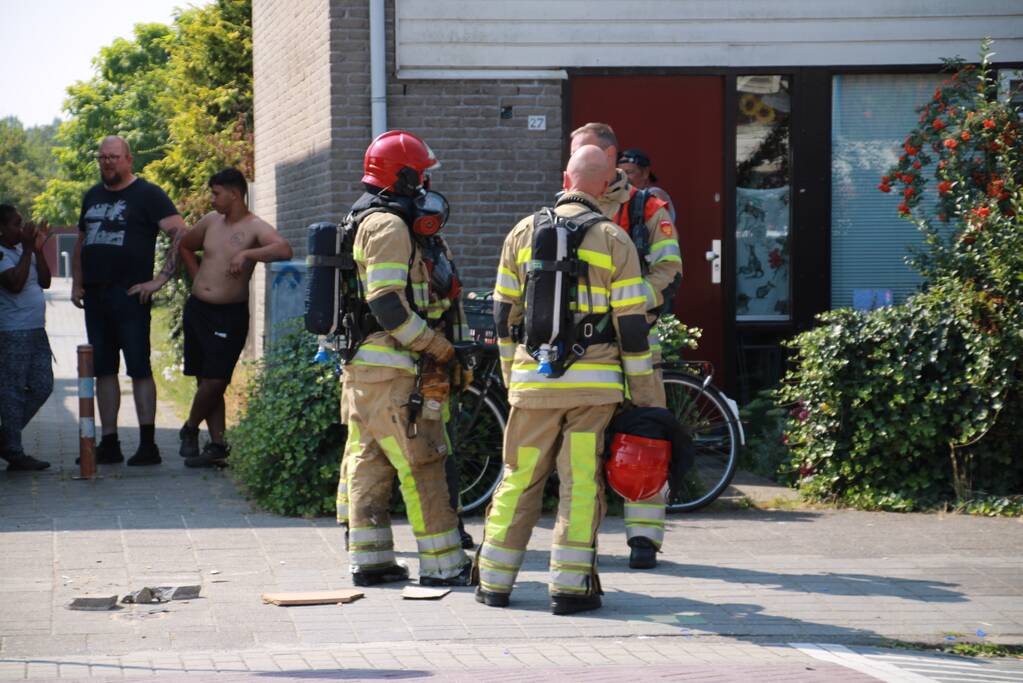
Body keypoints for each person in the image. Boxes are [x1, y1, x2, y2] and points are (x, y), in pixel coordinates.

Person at [475, 145, 660, 615]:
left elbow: (502, 315)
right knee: (580, 483)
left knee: (519, 477)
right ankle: (570, 588)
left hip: (532, 386)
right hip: (592, 390)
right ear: (604, 186)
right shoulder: (616, 239)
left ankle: (494, 583)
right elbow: (632, 328)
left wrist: (512, 375)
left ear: (566, 177)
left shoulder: (520, 232)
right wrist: (644, 398)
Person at [338, 130, 472, 587]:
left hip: (371, 371)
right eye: (424, 174)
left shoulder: (377, 219)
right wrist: (436, 347)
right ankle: (443, 565)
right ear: (406, 176)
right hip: (394, 369)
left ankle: (372, 561)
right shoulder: (388, 226)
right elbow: (388, 304)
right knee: (423, 462)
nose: (429, 183)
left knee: (371, 462)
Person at [569, 123, 683, 569]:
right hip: (585, 351)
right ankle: (582, 538)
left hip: (637, 345)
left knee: (646, 437)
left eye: (587, 157)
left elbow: (670, 267)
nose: (577, 169)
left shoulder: (646, 206)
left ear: (610, 158)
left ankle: (643, 540)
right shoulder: (564, 210)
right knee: (583, 448)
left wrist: (630, 306)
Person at [71, 135, 187, 466]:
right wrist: (77, 283)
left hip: (130, 294)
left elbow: (180, 232)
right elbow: (82, 241)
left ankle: (148, 445)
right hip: (96, 296)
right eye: (102, 157)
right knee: (103, 370)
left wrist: (160, 279)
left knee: (138, 368)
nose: (107, 162)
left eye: (113, 157)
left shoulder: (147, 194)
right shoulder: (91, 195)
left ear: (128, 159)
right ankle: (109, 442)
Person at [177, 168, 292, 468]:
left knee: (215, 380)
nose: (212, 199)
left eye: (216, 194)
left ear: (234, 194)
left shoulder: (254, 227)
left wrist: (247, 255)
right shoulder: (210, 222)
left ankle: (189, 427)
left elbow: (283, 248)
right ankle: (217, 445)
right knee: (205, 379)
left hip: (228, 315)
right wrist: (196, 277)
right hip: (198, 310)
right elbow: (186, 246)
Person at [0, 205, 53, 471]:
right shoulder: (2, 254)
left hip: (37, 329)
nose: (21, 229)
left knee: (43, 385)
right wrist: (30, 249)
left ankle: (6, 439)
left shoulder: (24, 250)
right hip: (12, 332)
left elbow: (45, 281)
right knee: (12, 393)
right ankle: (13, 450)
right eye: (15, 224)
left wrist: (38, 250)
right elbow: (15, 283)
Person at [617, 147, 677, 223]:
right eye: (620, 173)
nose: (624, 178)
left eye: (629, 172)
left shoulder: (655, 194)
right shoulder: (627, 196)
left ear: (646, 173)